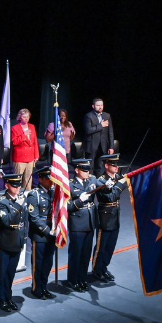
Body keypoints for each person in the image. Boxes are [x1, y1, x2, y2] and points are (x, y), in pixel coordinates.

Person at [0, 173, 28, 313]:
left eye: (19, 185)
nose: (18, 188)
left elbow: (24, 222)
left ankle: (8, 297)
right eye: (14, 185)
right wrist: (18, 205)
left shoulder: (20, 200)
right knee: (2, 273)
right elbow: (6, 221)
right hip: (4, 242)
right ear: (7, 186)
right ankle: (1, 298)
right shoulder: (1, 202)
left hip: (16, 241)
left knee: (11, 273)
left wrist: (23, 239)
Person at [92, 154, 128, 282]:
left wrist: (118, 184)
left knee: (110, 246)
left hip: (115, 216)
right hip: (105, 218)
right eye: (113, 164)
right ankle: (97, 270)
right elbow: (111, 197)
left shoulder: (116, 179)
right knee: (101, 246)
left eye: (117, 164)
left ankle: (104, 268)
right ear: (106, 165)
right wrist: (121, 185)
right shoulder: (100, 180)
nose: (116, 167)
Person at [65, 159, 99, 292]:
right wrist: (79, 201)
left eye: (88, 170)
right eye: (84, 170)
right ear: (77, 170)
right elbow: (66, 206)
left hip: (90, 221)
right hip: (77, 223)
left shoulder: (92, 180)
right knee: (76, 254)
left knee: (86, 254)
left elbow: (103, 186)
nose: (87, 172)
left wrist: (109, 186)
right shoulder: (69, 185)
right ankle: (73, 280)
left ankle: (82, 278)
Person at [26, 166, 56, 299]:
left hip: (52, 232)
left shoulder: (54, 192)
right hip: (40, 234)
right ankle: (36, 288)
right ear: (41, 179)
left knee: (48, 262)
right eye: (49, 179)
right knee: (38, 263)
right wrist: (48, 231)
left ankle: (44, 286)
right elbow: (34, 218)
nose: (51, 181)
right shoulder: (34, 194)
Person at [83, 98, 114, 176]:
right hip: (91, 146)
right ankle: (89, 186)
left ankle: (98, 186)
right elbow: (88, 130)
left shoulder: (107, 116)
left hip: (102, 146)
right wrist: (101, 126)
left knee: (99, 167)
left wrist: (111, 147)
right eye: (98, 105)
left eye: (101, 105)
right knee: (89, 168)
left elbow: (110, 132)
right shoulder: (88, 116)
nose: (100, 107)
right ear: (93, 106)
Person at [10, 108, 39, 191]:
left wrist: (36, 155)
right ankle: (16, 196)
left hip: (30, 158)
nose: (26, 118)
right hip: (19, 158)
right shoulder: (15, 128)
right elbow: (15, 142)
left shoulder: (32, 126)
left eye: (27, 117)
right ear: (20, 117)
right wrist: (24, 135)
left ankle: (27, 197)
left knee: (28, 180)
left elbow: (35, 142)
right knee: (17, 180)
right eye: (24, 117)